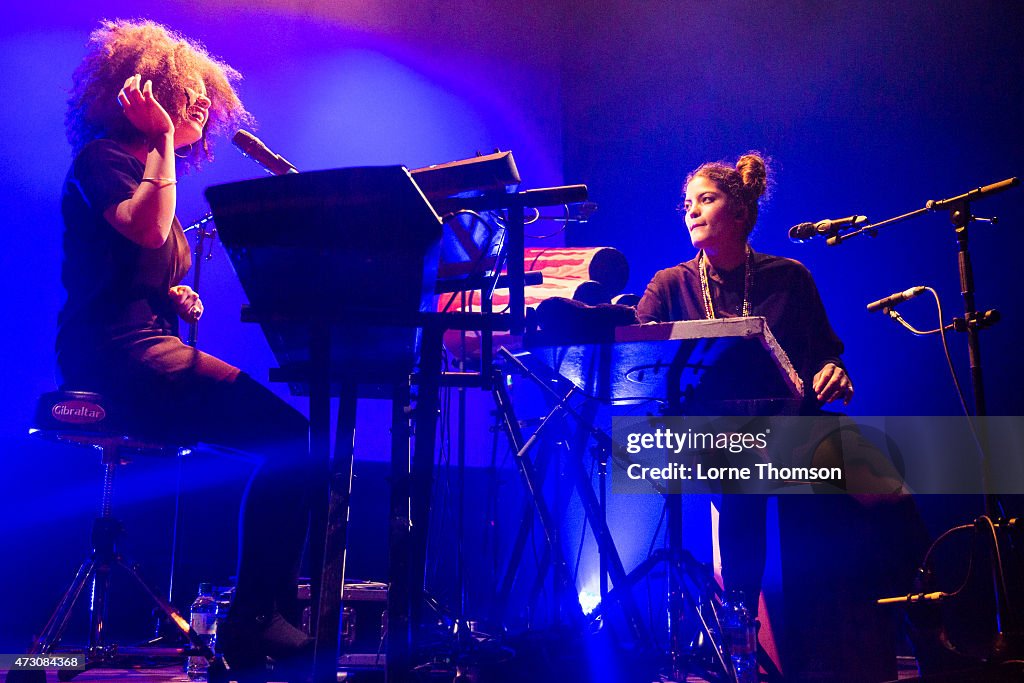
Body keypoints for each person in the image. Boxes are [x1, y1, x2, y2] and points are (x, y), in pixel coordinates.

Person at [59, 19, 316, 677]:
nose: (202, 102)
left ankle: (260, 613)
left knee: (292, 439)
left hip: (140, 341)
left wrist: (169, 294)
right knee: (291, 436)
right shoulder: (105, 159)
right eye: (186, 91)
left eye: (206, 95)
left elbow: (131, 260)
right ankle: (255, 616)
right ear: (142, 91)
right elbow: (145, 231)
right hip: (111, 354)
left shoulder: (151, 168)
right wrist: (162, 140)